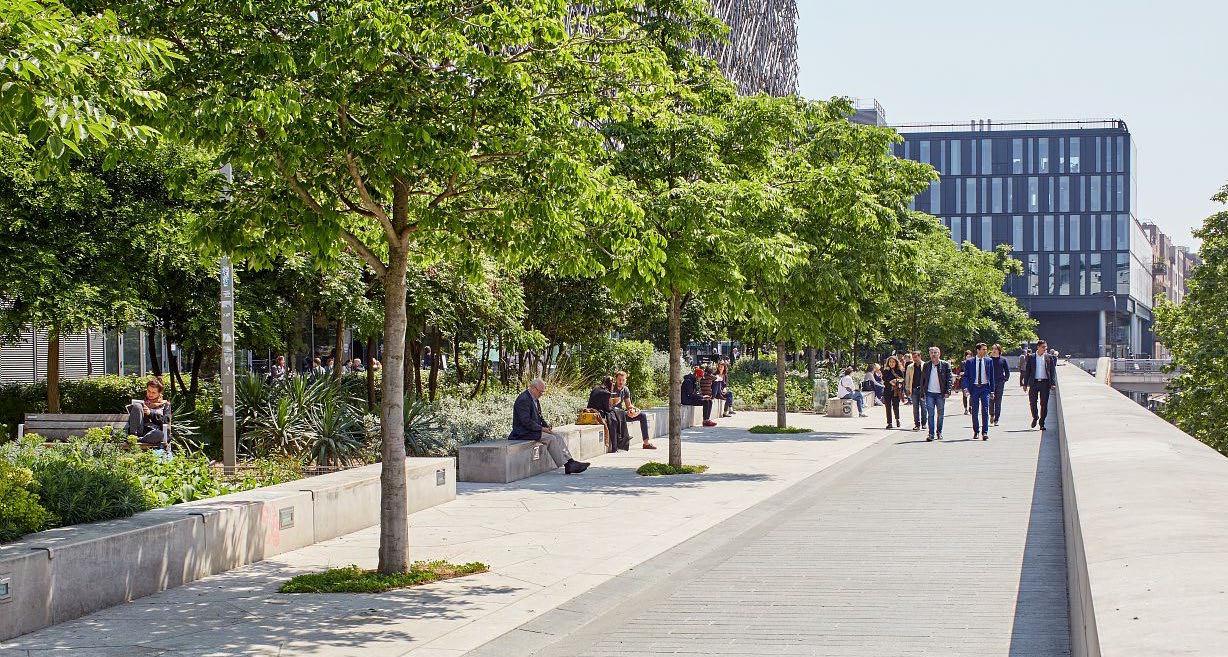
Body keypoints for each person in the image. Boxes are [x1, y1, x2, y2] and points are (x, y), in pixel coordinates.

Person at [510, 378, 589, 474]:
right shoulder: (523, 400)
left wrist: (547, 428)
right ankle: (568, 465)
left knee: (557, 436)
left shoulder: (534, 398)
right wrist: (542, 429)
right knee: (550, 438)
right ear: (533, 388)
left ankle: (570, 462)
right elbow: (526, 422)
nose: (541, 395)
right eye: (540, 392)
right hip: (522, 432)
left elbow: (540, 417)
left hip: (532, 430)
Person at [610, 370, 655, 450]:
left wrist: (634, 410)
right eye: (619, 379)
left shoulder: (625, 389)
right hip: (613, 413)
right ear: (616, 379)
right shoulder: (611, 388)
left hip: (622, 413)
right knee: (621, 413)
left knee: (642, 416)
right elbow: (608, 405)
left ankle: (646, 443)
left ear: (625, 380)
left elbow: (628, 405)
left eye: (623, 380)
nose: (621, 382)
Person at [1020, 339, 1059, 431]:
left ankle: (1042, 423)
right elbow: (1028, 371)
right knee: (1033, 402)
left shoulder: (1049, 357)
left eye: (1046, 347)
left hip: (1045, 383)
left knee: (1044, 404)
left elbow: (1052, 371)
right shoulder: (1031, 357)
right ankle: (1035, 417)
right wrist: (1025, 384)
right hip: (1034, 383)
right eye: (1043, 347)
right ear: (1038, 347)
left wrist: (1052, 383)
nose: (1045, 348)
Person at [962, 343, 996, 441]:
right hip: (974, 388)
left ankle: (985, 432)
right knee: (975, 411)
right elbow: (966, 376)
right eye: (983, 349)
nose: (985, 351)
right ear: (978, 350)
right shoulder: (970, 362)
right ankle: (976, 431)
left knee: (985, 410)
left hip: (985, 388)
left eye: (986, 349)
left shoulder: (989, 361)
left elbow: (992, 377)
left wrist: (992, 391)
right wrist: (965, 388)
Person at [588, 375, 631, 452]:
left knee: (617, 414)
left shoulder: (596, 388)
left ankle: (621, 438)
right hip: (598, 413)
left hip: (590, 410)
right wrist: (615, 403)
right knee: (618, 414)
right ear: (610, 384)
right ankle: (621, 440)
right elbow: (608, 409)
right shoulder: (606, 393)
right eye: (613, 384)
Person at [918, 347, 952, 441]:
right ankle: (931, 434)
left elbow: (949, 379)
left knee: (940, 414)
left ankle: (939, 432)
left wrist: (948, 391)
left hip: (940, 394)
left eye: (935, 352)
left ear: (939, 354)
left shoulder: (945, 365)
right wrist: (922, 393)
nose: (933, 354)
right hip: (929, 393)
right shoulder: (926, 365)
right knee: (931, 414)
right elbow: (923, 380)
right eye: (931, 353)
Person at [128, 377, 172, 448]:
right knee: (137, 406)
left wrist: (150, 413)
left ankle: (137, 440)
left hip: (154, 433)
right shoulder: (143, 403)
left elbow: (166, 421)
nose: (150, 394)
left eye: (153, 392)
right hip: (141, 431)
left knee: (159, 434)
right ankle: (133, 437)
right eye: (148, 391)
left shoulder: (165, 404)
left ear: (159, 393)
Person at [989, 344, 1011, 426]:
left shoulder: (1003, 360)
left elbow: (1007, 371)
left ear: (999, 350)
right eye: (993, 349)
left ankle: (996, 419)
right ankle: (992, 414)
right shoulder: (989, 360)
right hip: (990, 383)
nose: (994, 350)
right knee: (991, 401)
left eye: (996, 349)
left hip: (1000, 382)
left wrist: (1005, 379)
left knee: (998, 401)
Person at [904, 351, 926, 431]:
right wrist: (907, 389)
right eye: (913, 357)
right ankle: (917, 424)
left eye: (916, 357)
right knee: (915, 408)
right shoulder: (910, 367)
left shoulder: (925, 365)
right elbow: (907, 378)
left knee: (924, 407)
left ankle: (924, 423)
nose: (914, 359)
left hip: (922, 389)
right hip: (913, 389)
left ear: (920, 356)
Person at [882, 356, 904, 429]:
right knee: (888, 407)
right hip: (887, 390)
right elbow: (884, 379)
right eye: (890, 362)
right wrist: (887, 372)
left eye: (893, 362)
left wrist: (895, 380)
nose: (891, 363)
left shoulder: (898, 370)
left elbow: (902, 379)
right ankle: (889, 423)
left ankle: (897, 419)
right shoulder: (886, 370)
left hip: (896, 391)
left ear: (896, 362)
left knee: (895, 406)